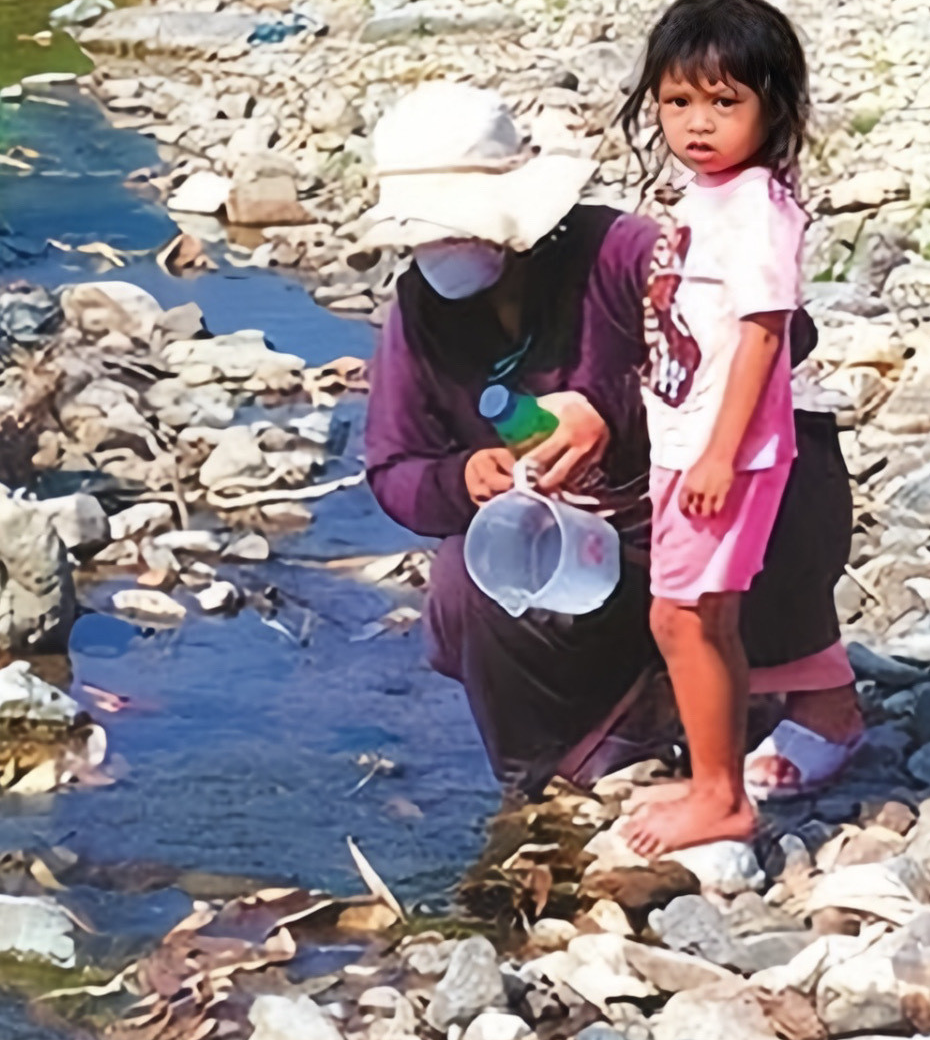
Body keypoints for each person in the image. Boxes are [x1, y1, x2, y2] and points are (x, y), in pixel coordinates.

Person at [350, 70, 863, 814]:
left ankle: (817, 699)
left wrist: (618, 412)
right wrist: (469, 478)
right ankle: (584, 762)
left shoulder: (616, 251)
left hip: (679, 501)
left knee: (787, 452)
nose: (442, 248)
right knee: (464, 582)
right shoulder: (421, 312)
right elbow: (395, 465)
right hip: (577, 545)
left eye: (458, 230)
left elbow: (776, 333)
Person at [613, 0, 857, 854]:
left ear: (773, 108)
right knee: (692, 615)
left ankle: (719, 794)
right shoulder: (706, 197)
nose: (698, 123)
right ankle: (714, 774)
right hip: (689, 439)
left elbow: (764, 333)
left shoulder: (756, 206)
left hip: (727, 450)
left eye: (726, 102)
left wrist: (718, 453)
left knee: (686, 617)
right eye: (679, 102)